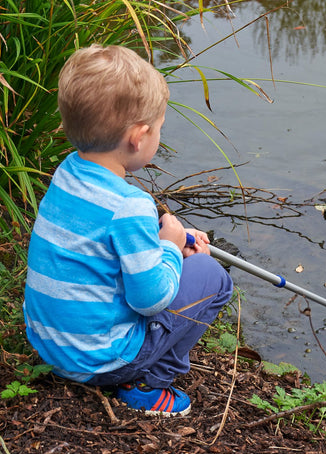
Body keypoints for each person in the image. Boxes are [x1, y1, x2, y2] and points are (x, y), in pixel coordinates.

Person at [23, 44, 233, 416]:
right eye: (159, 130)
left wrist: (166, 240)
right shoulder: (130, 205)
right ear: (138, 137)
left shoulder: (67, 174)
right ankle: (147, 383)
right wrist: (169, 250)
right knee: (214, 277)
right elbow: (151, 301)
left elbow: (103, 243)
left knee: (183, 267)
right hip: (100, 361)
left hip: (50, 347)